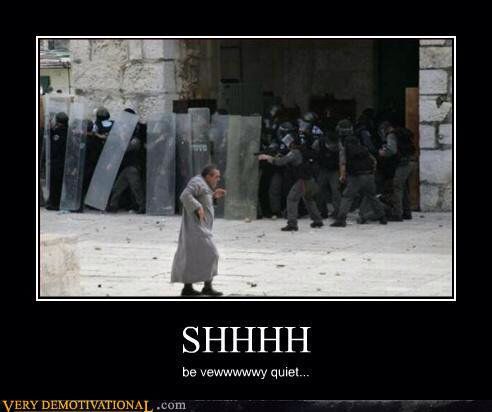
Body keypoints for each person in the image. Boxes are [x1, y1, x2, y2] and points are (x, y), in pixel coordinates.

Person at [171, 165, 226, 296]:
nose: (218, 180)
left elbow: (203, 198)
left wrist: (214, 197)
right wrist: (197, 207)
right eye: (216, 177)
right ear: (208, 176)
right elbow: (185, 195)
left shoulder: (203, 184)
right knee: (212, 254)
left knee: (197, 256)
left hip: (203, 228)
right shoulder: (197, 181)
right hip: (195, 228)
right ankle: (190, 288)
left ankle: (202, 287)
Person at [259, 132, 323, 231]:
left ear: (293, 143)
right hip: (310, 179)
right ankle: (318, 220)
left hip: (303, 180)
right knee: (308, 199)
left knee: (292, 199)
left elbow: (281, 162)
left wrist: (268, 158)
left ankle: (292, 224)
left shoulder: (295, 152)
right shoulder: (303, 150)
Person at [331, 120, 387, 227]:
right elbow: (373, 160)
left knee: (347, 197)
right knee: (372, 196)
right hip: (369, 175)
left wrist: (342, 176)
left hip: (356, 176)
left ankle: (341, 220)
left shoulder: (344, 147)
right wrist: (372, 173)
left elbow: (342, 163)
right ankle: (382, 217)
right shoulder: (362, 148)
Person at [107, 108, 146, 214]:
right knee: (118, 188)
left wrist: (123, 137)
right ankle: (112, 206)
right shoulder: (132, 133)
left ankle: (142, 207)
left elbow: (127, 148)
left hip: (133, 167)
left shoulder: (136, 136)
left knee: (136, 189)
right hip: (127, 167)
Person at [378, 121, 417, 221]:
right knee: (403, 187)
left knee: (397, 187)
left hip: (404, 164)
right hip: (412, 162)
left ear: (385, 129)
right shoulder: (400, 133)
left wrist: (383, 152)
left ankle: (397, 214)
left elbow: (392, 150)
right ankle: (407, 212)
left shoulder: (391, 135)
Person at [45, 112, 69, 210]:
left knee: (55, 184)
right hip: (65, 162)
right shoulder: (68, 131)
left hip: (57, 162)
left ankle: (54, 204)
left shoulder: (58, 132)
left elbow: (54, 148)